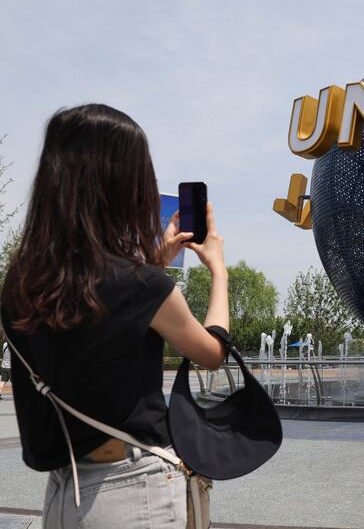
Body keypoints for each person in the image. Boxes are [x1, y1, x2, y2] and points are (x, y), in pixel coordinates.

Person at [0, 104, 229, 528]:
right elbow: (212, 351)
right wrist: (218, 271)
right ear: (122, 184)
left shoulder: (23, 283)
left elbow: (98, 325)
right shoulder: (138, 285)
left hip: (63, 492)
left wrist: (153, 265)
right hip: (135, 488)